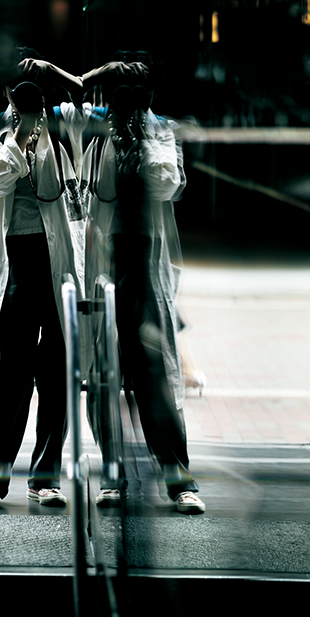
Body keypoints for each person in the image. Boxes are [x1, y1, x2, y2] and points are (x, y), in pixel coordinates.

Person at [82, 54, 205, 514]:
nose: (127, 101)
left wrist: (137, 129)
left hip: (146, 264)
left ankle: (179, 480)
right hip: (103, 263)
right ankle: (112, 473)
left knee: (157, 375)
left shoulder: (161, 131)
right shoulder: (93, 129)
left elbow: (166, 183)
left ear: (151, 96)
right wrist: (95, 82)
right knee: (102, 376)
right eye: (120, 93)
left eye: (136, 92)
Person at [0, 50, 88, 511]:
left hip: (59, 261)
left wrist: (57, 75)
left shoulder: (63, 122)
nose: (28, 95)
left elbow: (89, 100)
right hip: (15, 259)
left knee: (56, 374)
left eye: (33, 87)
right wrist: (19, 134)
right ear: (4, 91)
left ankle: (45, 477)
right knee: (8, 375)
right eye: (19, 87)